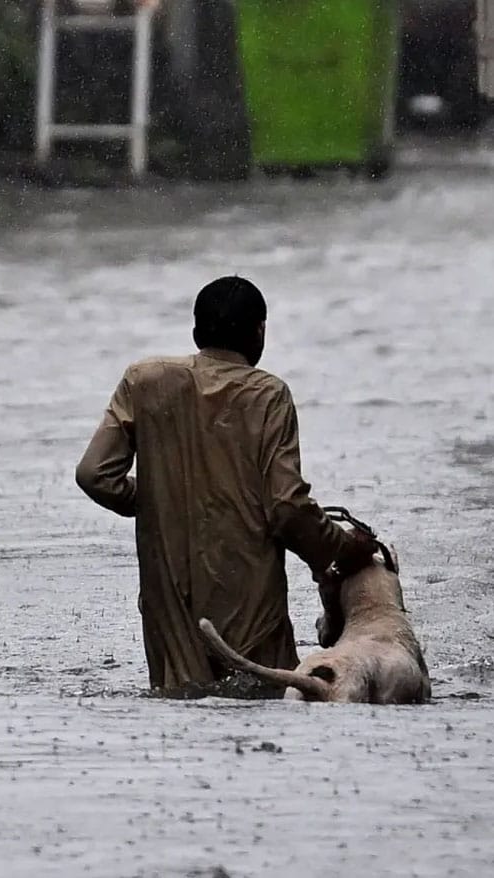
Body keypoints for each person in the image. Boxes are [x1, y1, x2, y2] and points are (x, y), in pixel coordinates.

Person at [75, 276, 377, 694]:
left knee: (181, 708)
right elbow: (287, 509)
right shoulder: (268, 395)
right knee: (264, 702)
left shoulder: (144, 381)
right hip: (250, 607)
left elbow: (94, 474)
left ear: (197, 331)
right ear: (260, 332)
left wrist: (158, 498)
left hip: (170, 606)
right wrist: (344, 550)